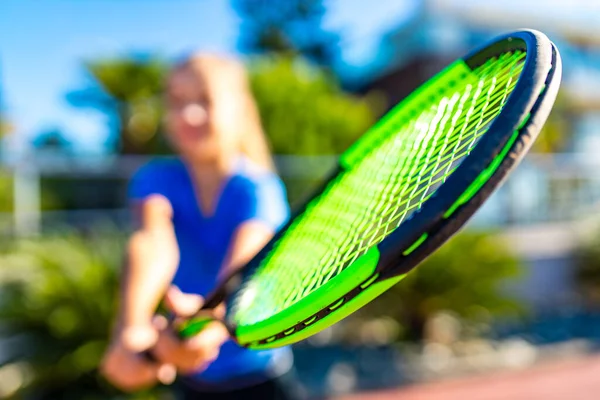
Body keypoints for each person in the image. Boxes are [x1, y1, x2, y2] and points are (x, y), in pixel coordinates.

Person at [100, 53, 304, 400]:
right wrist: (131, 330)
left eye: (205, 100)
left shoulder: (258, 188)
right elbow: (153, 243)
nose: (189, 114)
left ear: (237, 109)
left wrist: (206, 328)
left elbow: (243, 275)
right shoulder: (155, 179)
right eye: (177, 102)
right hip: (193, 386)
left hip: (262, 381)